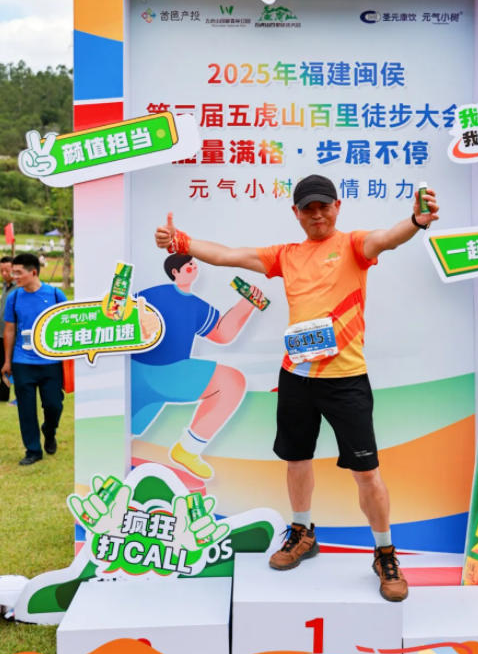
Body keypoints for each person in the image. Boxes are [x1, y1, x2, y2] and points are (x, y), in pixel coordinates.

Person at [154, 174, 439, 602]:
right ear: (297, 213)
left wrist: (415, 221)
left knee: (367, 473)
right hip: (296, 378)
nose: (317, 214)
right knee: (297, 460)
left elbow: (387, 238)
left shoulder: (354, 246)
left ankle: (384, 552)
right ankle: (303, 532)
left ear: (337, 207)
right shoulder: (286, 255)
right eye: (309, 208)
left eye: (324, 206)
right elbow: (230, 255)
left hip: (346, 380)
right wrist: (182, 241)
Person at [131, 253, 263, 480]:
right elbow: (119, 314)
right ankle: (185, 451)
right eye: (188, 264)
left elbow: (222, 333)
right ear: (175, 272)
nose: (193, 267)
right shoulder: (154, 294)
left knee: (231, 382)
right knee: (123, 437)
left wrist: (247, 303)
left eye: (194, 264)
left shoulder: (195, 305)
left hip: (171, 374)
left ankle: (188, 449)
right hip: (139, 372)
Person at [1, 253, 67, 465]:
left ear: (34, 272)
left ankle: (49, 430)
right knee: (26, 409)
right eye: (13, 272)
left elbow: (68, 324)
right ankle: (33, 450)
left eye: (18, 272)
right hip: (22, 362)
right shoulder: (14, 297)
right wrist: (7, 361)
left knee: (54, 405)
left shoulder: (56, 295)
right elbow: (9, 330)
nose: (14, 276)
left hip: (51, 362)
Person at [0, 257, 15, 402]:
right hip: (1, 332)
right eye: (1, 271)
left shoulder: (19, 288)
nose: (4, 273)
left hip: (11, 334)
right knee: (3, 363)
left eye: (7, 270)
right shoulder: (5, 286)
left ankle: (8, 394)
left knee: (9, 363)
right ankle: (3, 394)